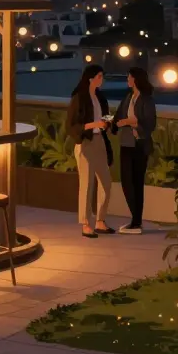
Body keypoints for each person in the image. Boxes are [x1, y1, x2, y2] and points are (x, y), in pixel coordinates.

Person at [66, 64, 115, 238]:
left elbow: (105, 117)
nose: (102, 80)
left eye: (102, 76)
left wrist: (107, 123)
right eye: (99, 76)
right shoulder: (79, 98)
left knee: (106, 182)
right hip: (85, 142)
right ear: (90, 78)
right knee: (87, 185)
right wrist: (94, 124)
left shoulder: (100, 97)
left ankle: (100, 220)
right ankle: (86, 223)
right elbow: (71, 126)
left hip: (99, 140)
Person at [112, 67, 156, 234]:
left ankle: (136, 222)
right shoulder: (128, 97)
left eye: (129, 77)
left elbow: (150, 124)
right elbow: (118, 116)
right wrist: (115, 124)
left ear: (136, 79)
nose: (128, 79)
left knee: (137, 183)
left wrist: (132, 122)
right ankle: (135, 220)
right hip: (126, 144)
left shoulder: (147, 99)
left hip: (139, 145)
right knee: (127, 182)